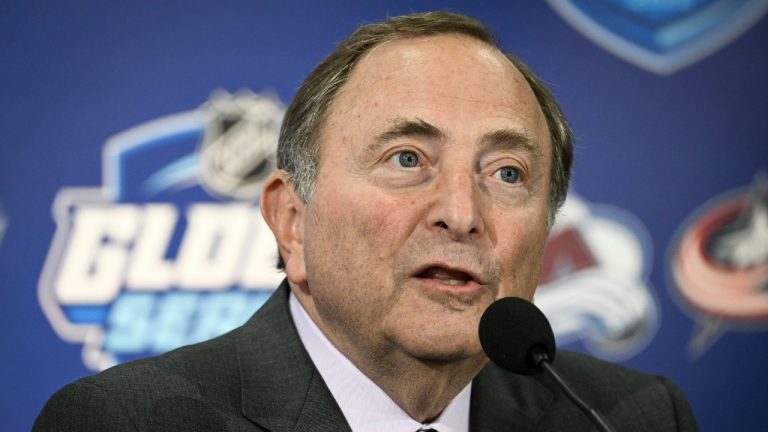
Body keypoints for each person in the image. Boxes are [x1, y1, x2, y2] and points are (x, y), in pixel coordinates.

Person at [34, 11, 698, 431]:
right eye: (407, 159)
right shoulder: (123, 421)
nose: (462, 214)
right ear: (292, 222)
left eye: (507, 175)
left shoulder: (630, 418)